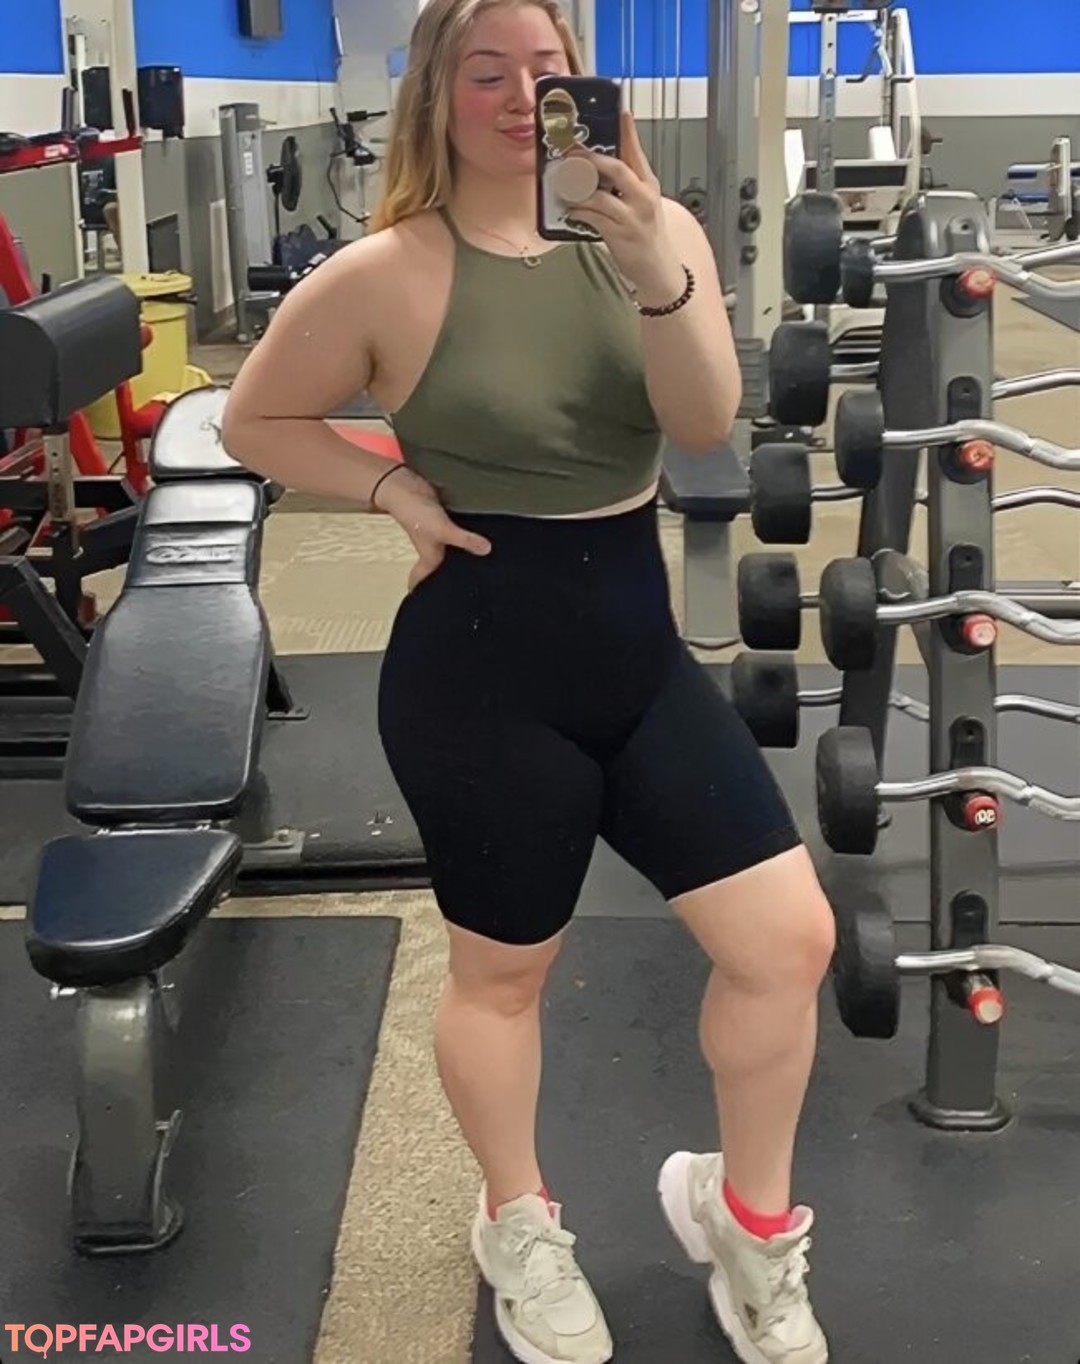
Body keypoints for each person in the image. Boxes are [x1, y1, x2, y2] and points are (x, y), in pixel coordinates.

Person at [221, 1, 837, 1360]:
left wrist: (652, 260)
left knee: (788, 942)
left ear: (584, 87)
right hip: (481, 670)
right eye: (484, 73)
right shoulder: (386, 270)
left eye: (546, 71)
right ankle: (519, 1219)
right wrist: (390, 488)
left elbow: (702, 422)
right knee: (506, 974)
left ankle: (746, 1221)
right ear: (435, 99)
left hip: (639, 658)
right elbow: (254, 417)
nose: (520, 97)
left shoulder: (659, 236)